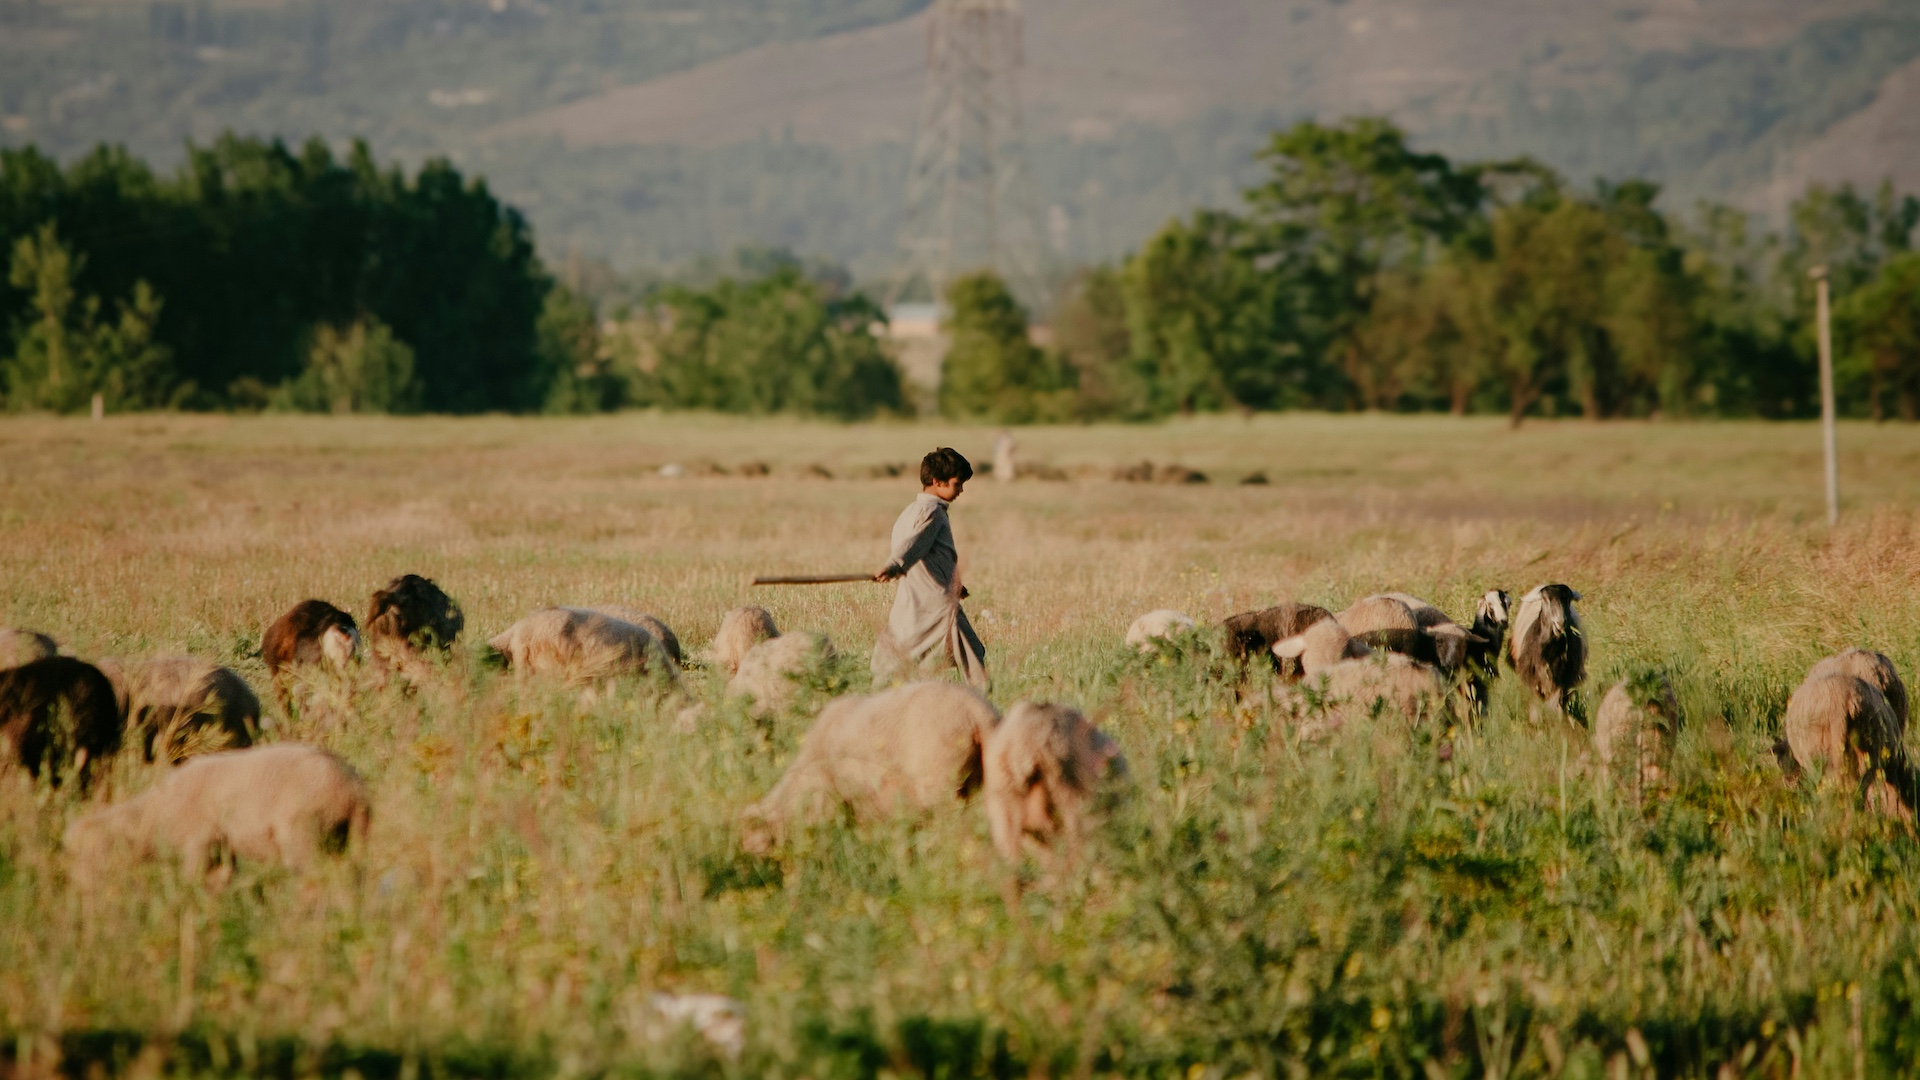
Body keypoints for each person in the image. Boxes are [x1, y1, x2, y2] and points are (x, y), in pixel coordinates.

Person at [871, 447, 988, 689]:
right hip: (937, 605)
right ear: (937, 482)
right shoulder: (932, 512)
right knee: (973, 655)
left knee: (900, 655)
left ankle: (888, 694)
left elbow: (928, 556)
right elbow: (913, 544)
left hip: (914, 599)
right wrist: (894, 564)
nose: (961, 491)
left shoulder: (910, 511)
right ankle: (981, 702)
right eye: (957, 484)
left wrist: (955, 583)